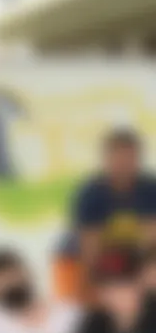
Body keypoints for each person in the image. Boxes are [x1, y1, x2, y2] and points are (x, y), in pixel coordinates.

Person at [61, 128, 156, 299]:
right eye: (118, 157)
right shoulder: (90, 194)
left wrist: (138, 281)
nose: (124, 164)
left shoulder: (150, 189)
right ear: (106, 159)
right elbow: (90, 253)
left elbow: (151, 241)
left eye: (130, 157)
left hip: (132, 257)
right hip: (89, 260)